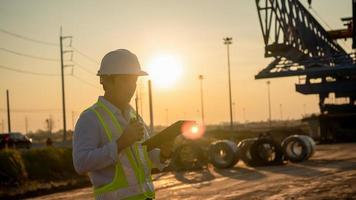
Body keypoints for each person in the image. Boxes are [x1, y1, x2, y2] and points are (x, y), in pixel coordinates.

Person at [73, 49, 172, 200]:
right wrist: (120, 144)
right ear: (106, 81)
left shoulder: (134, 115)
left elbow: (147, 155)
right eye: (126, 80)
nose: (131, 87)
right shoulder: (90, 118)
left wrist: (164, 153)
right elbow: (81, 163)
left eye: (134, 81)